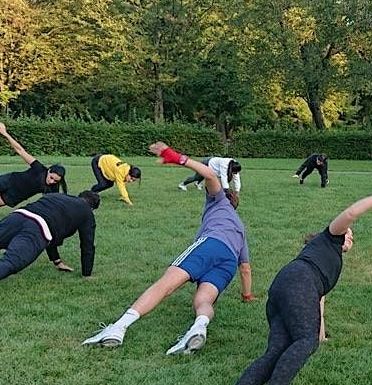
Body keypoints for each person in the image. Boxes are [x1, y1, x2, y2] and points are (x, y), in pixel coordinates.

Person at [209, 175, 372, 385]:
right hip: (299, 283)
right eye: (350, 235)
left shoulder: (324, 257)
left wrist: (320, 334)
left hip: (285, 286)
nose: (351, 239)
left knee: (279, 348)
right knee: (304, 340)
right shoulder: (330, 238)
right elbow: (351, 212)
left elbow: (316, 300)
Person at [82, 143, 255, 352]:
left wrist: (177, 158)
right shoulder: (240, 228)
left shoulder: (218, 201)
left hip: (212, 244)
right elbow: (245, 268)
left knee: (165, 285)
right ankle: (199, 326)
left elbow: (210, 175)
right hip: (228, 260)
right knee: (204, 299)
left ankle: (118, 328)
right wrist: (247, 295)